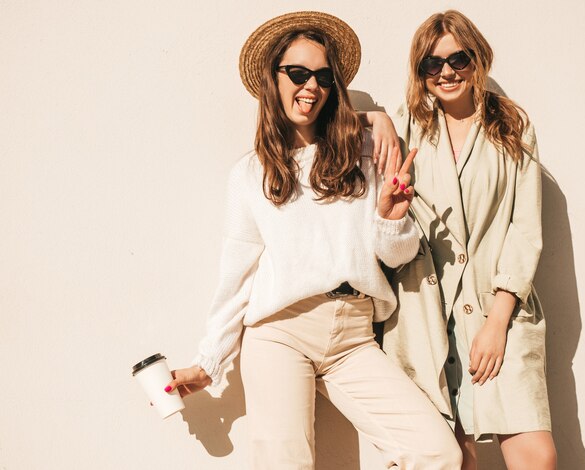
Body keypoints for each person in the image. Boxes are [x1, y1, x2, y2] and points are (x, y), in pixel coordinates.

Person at [163, 11, 462, 470]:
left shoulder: (364, 150)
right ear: (274, 79)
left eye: (322, 77)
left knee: (437, 451)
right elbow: (237, 272)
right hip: (281, 332)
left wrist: (389, 219)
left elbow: (397, 256)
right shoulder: (249, 174)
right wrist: (210, 360)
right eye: (298, 74)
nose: (311, 87)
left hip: (356, 335)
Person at [378, 10, 557, 470]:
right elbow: (336, 123)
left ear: (478, 58)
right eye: (432, 65)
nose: (447, 72)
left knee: (536, 457)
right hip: (427, 317)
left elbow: (524, 227)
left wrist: (497, 322)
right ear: (420, 73)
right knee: (455, 458)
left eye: (458, 58)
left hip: (499, 306)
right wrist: (371, 116)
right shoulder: (407, 127)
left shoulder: (512, 126)